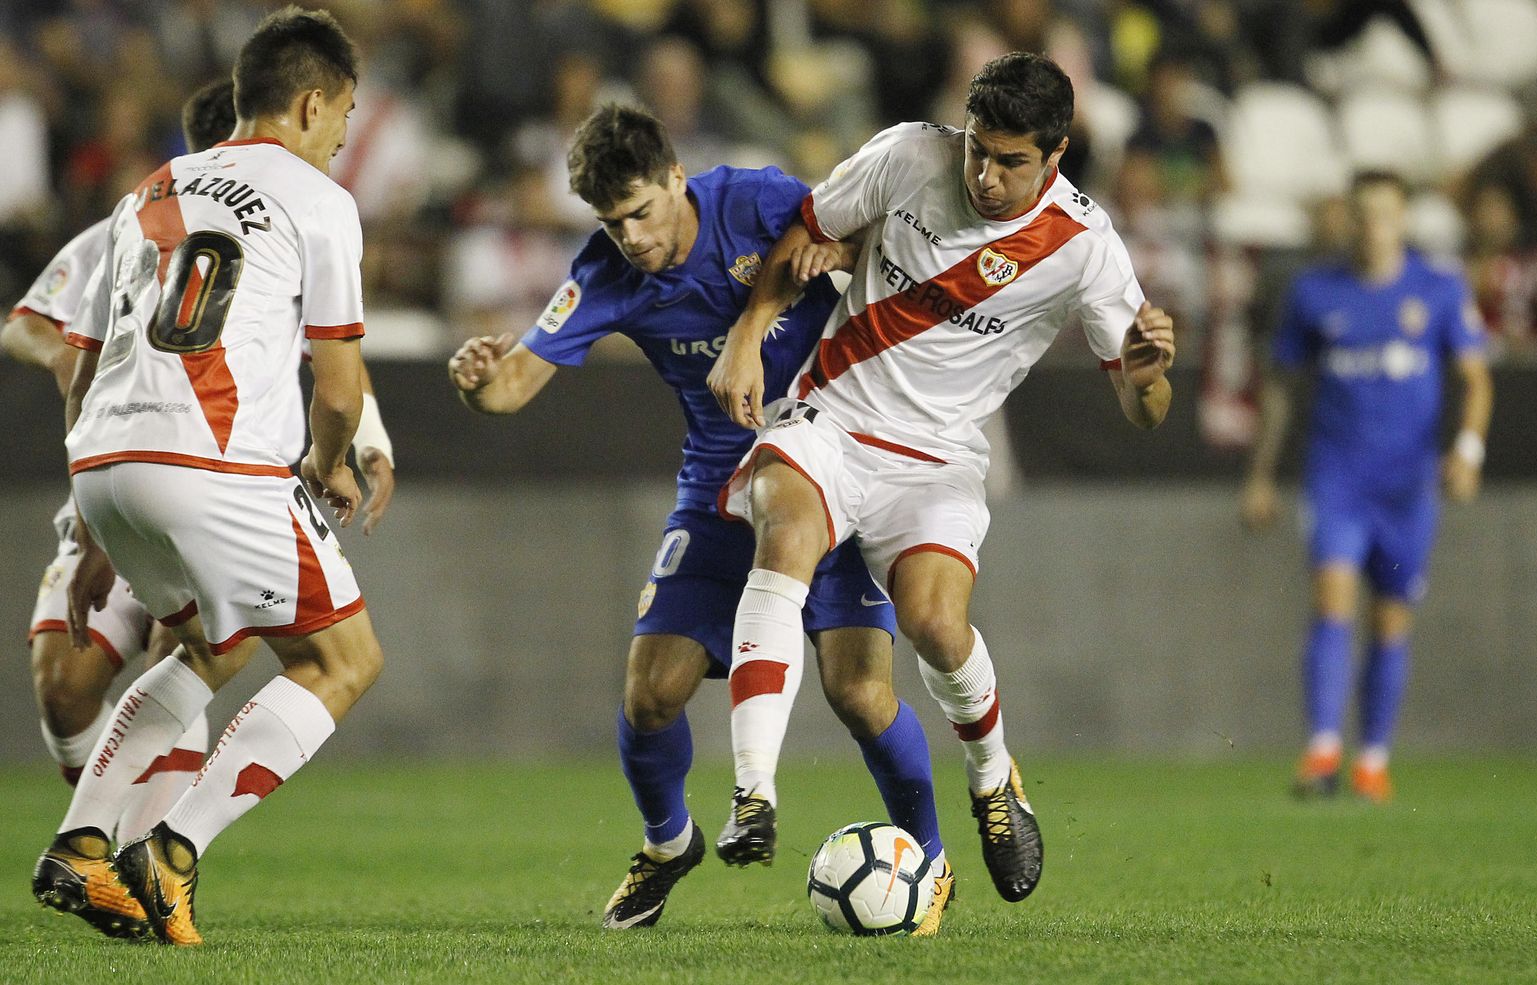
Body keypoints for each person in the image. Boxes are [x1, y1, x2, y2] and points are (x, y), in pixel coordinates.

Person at [448, 104, 954, 935]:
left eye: (642, 211)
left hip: (839, 461)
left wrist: (836, 254)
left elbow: (880, 243)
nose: (632, 236)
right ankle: (666, 844)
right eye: (612, 222)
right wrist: (477, 382)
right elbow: (511, 385)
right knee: (651, 694)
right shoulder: (605, 273)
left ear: (678, 178)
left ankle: (930, 862)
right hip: (721, 486)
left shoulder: (756, 200)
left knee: (861, 693)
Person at [707, 52, 1177, 903]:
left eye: (1011, 162)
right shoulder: (908, 156)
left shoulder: (1085, 248)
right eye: (978, 152)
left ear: (1056, 155)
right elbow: (809, 228)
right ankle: (753, 793)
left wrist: (1146, 374)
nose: (986, 176)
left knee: (934, 622)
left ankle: (994, 778)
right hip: (833, 419)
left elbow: (1143, 410)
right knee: (785, 540)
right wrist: (750, 335)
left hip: (938, 456)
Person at [31, 6, 384, 947]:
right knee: (343, 661)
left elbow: (86, 370)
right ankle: (173, 845)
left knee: (212, 648)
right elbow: (340, 388)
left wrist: (95, 526)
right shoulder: (317, 200)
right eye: (344, 115)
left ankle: (82, 839)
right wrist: (326, 462)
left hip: (105, 463)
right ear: (312, 103)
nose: (345, 135)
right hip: (214, 466)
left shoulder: (145, 189)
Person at [1240, 170, 1493, 802]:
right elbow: (1281, 386)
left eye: (1383, 213)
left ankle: (1373, 758)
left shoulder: (1437, 288)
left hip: (1407, 483)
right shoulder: (1314, 292)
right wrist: (1262, 474)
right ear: (1347, 221)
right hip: (1337, 476)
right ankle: (1322, 753)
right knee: (1331, 600)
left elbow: (1476, 378)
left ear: (1402, 220)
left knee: (1389, 620)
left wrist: (1467, 450)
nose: (1371, 225)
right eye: (1361, 214)